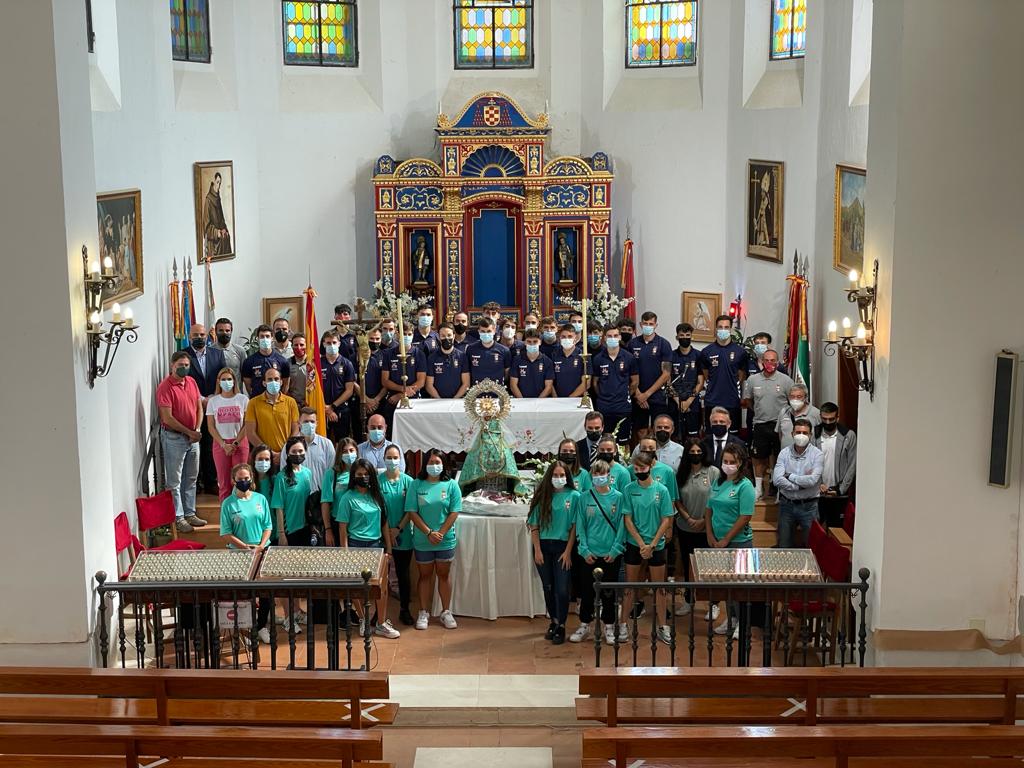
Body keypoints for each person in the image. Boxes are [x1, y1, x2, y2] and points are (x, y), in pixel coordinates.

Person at [333, 458, 401, 639]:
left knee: (381, 586)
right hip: (356, 546)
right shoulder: (347, 498)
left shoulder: (377, 496)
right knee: (358, 587)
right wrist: (345, 552)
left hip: (376, 546)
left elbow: (384, 523)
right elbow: (342, 528)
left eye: (366, 474)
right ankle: (363, 619)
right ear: (353, 476)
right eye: (359, 474)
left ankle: (381, 623)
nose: (363, 477)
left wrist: (389, 549)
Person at [619, 451, 675, 645]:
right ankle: (623, 624)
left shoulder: (662, 490)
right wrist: (641, 544)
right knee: (629, 586)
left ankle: (663, 626)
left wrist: (652, 544)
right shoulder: (629, 489)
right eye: (636, 468)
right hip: (635, 544)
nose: (639, 471)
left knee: (659, 588)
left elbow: (666, 519)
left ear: (650, 466)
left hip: (656, 545)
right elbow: (627, 519)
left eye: (642, 468)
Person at [406, 449, 462, 631]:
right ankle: (423, 612)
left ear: (444, 465)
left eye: (438, 462)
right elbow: (412, 512)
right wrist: (429, 532)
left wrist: (441, 533)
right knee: (425, 576)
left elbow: (454, 512)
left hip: (445, 540)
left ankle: (446, 612)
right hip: (423, 540)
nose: (434, 466)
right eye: (431, 462)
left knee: (444, 575)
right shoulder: (416, 484)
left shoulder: (452, 485)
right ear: (425, 464)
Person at [571, 458, 625, 644]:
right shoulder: (584, 497)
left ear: (609, 476)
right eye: (596, 473)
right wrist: (584, 550)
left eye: (602, 473)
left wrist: (616, 549)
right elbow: (580, 525)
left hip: (610, 554)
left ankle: (609, 626)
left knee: (609, 592)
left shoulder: (618, 497)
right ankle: (585, 624)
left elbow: (622, 526)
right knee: (587, 591)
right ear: (591, 476)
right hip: (589, 554)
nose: (599, 477)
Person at [219, 462, 275, 643]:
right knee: (244, 594)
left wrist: (261, 546)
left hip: (261, 551)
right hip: (239, 554)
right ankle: (245, 629)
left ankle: (261, 626)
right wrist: (244, 547)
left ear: (251, 478)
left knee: (265, 593)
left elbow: (268, 526)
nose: (244, 481)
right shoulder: (228, 504)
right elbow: (226, 533)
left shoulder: (260, 499)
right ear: (233, 480)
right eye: (240, 479)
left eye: (246, 478)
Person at [706, 443, 755, 637]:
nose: (727, 465)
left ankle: (743, 622)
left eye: (732, 462)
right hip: (717, 541)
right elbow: (709, 509)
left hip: (739, 542)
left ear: (740, 463)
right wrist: (710, 535)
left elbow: (745, 516)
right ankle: (731, 618)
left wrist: (726, 539)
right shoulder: (718, 482)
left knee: (739, 584)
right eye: (725, 461)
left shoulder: (745, 485)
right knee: (726, 583)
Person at [528, 461, 579, 645]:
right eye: (555, 475)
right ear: (549, 477)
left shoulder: (574, 496)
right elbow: (534, 525)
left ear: (567, 477)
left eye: (562, 475)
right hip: (543, 546)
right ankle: (554, 621)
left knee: (562, 589)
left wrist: (568, 552)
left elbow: (574, 526)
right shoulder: (543, 495)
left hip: (562, 547)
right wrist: (537, 550)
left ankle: (562, 624)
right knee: (548, 587)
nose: (558, 478)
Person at [157, 352, 208, 533]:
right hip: (174, 438)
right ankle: (178, 517)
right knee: (174, 481)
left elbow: (198, 407)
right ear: (172, 365)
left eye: (186, 365)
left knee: (191, 477)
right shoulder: (165, 387)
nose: (184, 368)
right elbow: (167, 418)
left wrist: (197, 429)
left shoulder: (191, 382)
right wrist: (189, 432)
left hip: (193, 438)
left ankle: (190, 512)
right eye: (180, 365)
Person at [673, 439, 720, 617]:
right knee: (688, 566)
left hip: (707, 528)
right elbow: (677, 499)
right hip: (686, 527)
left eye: (698, 452)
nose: (695, 455)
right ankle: (688, 600)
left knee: (710, 567)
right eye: (691, 452)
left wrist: (703, 521)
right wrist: (688, 517)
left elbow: (717, 499)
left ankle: (713, 603)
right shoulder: (681, 473)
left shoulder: (713, 472)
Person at [272, 436, 312, 634]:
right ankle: (288, 617)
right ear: (287, 454)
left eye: (301, 451)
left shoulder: (307, 473)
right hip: (289, 531)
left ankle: (297, 611)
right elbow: (278, 507)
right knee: (286, 577)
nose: (298, 454)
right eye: (294, 452)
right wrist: (282, 533)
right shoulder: (282, 478)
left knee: (298, 575)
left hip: (305, 529)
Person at [741, 349, 794, 498]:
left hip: (780, 426)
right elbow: (748, 401)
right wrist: (759, 411)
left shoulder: (786, 380)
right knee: (758, 457)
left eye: (773, 360)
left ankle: (777, 489)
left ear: (777, 362)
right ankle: (758, 488)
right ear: (762, 362)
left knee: (780, 457)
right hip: (760, 424)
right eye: (767, 360)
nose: (769, 363)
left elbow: (793, 401)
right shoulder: (752, 380)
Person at [186, 323, 226, 496]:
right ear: (189, 337)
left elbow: (223, 377)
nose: (199, 338)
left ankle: (211, 482)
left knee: (211, 445)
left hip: (214, 405)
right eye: (195, 335)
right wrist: (201, 399)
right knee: (195, 446)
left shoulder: (217, 354)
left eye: (202, 335)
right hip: (193, 407)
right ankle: (195, 483)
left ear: (207, 336)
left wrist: (213, 398)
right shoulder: (183, 356)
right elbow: (184, 381)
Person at [773, 418, 824, 548]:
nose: (801, 435)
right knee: (784, 546)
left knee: (811, 546)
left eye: (805, 433)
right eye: (798, 432)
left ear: (810, 435)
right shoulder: (784, 453)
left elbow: (812, 480)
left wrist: (790, 476)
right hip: (786, 505)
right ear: (792, 434)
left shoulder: (817, 455)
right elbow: (777, 479)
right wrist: (798, 486)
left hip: (809, 506)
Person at [381, 444, 416, 626]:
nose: (392, 461)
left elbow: (411, 509)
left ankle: (404, 609)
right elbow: (378, 507)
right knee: (381, 576)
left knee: (403, 574)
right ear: (384, 459)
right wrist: (387, 531)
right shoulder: (378, 481)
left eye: (395, 458)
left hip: (403, 534)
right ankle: (378, 613)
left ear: (400, 460)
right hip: (382, 534)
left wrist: (398, 529)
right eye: (389, 457)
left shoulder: (409, 482)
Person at [206, 367, 250, 501]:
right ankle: (225, 511)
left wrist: (235, 443)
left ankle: (241, 509)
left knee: (240, 481)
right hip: (221, 444)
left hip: (240, 443)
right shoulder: (213, 401)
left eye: (229, 379)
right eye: (224, 379)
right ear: (218, 381)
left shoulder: (243, 399)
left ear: (234, 381)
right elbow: (211, 426)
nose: (227, 382)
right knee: (224, 482)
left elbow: (247, 424)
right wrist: (223, 444)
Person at [699, 315, 748, 432]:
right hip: (712, 401)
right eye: (720, 327)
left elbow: (741, 376)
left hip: (732, 401)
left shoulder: (740, 352)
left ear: (730, 329)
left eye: (726, 327)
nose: (723, 330)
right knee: (711, 436)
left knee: (733, 437)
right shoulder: (706, 351)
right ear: (716, 328)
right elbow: (706, 375)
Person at [591, 325, 639, 445]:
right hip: (604, 407)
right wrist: (603, 395)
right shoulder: (598, 359)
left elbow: (635, 381)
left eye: (615, 335)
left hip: (623, 407)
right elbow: (595, 383)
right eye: (609, 336)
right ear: (604, 338)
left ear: (620, 337)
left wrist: (626, 394)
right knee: (604, 441)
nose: (613, 338)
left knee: (623, 443)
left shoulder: (629, 357)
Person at [628, 311, 673, 433]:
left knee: (657, 430)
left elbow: (666, 374)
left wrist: (646, 394)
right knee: (640, 431)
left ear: (656, 325)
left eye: (651, 324)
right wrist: (638, 394)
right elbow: (628, 372)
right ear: (640, 324)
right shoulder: (632, 344)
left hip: (657, 396)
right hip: (637, 395)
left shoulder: (663, 344)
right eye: (645, 323)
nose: (648, 326)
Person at [244, 367, 299, 464]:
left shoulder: (291, 402)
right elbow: (250, 433)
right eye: (269, 379)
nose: (273, 382)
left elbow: (295, 430)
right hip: (263, 457)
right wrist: (267, 452)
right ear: (264, 383)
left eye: (276, 379)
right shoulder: (253, 403)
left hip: (286, 456)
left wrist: (284, 452)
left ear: (281, 382)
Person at [280, 407, 335, 492]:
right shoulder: (289, 446)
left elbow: (332, 473)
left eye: (312, 422)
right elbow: (284, 473)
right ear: (299, 423)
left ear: (317, 423)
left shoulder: (327, 445)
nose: (309, 424)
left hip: (321, 495)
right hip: (298, 496)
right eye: (306, 421)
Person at [668, 323, 705, 440]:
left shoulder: (698, 355)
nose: (685, 338)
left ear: (691, 337)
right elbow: (667, 381)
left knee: (693, 438)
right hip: (674, 403)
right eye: (682, 335)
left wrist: (688, 402)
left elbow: (700, 382)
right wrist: (678, 402)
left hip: (692, 403)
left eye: (687, 335)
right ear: (677, 337)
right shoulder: (671, 355)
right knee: (675, 437)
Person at [813, 401, 857, 499]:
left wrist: (841, 489)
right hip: (817, 492)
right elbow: (809, 462)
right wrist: (818, 484)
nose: (828, 422)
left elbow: (852, 465)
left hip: (839, 492)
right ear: (820, 417)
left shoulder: (848, 435)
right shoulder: (813, 435)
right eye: (824, 419)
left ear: (837, 418)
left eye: (831, 419)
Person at [321, 438, 359, 546]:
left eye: (351, 450)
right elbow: (325, 503)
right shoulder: (331, 474)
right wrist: (328, 529)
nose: (349, 454)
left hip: (358, 523)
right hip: (337, 523)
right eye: (345, 451)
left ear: (356, 451)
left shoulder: (363, 472)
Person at [321, 329, 356, 443]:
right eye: (328, 343)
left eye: (334, 342)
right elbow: (314, 388)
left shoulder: (347, 364)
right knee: (323, 442)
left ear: (339, 344)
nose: (331, 345)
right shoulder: (317, 363)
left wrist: (332, 407)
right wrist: (326, 409)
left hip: (341, 410)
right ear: (324, 344)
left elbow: (349, 390)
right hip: (322, 409)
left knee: (342, 443)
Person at [241, 325, 290, 397]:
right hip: (257, 400)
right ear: (257, 339)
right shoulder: (249, 362)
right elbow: (248, 386)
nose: (265, 339)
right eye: (262, 336)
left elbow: (285, 384)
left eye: (267, 336)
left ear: (272, 338)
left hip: (276, 400)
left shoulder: (282, 361)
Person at [425, 322, 470, 399]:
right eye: (443, 336)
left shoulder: (462, 356)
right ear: (438, 337)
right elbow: (429, 385)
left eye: (449, 335)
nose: (446, 338)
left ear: (454, 336)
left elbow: (466, 384)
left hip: (458, 400)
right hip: (437, 401)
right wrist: (440, 400)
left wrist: (454, 399)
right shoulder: (432, 358)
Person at [466, 317, 511, 385]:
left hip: (497, 390)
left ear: (494, 331)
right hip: (476, 390)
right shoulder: (471, 349)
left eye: (489, 331)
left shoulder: (504, 350)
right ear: (479, 331)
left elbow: (507, 372)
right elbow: (467, 371)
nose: (486, 334)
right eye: (483, 331)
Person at [510, 329, 554, 398]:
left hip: (541, 401)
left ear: (540, 342)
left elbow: (548, 387)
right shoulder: (516, 360)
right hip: (521, 401)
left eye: (535, 341)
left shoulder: (547, 361)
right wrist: (522, 401)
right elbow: (513, 385)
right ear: (525, 342)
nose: (532, 344)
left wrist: (537, 402)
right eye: (529, 341)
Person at [777, 383, 821, 450]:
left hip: (808, 454)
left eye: (799, 397)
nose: (795, 399)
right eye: (792, 396)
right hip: (787, 454)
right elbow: (780, 434)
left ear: (805, 397)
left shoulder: (816, 413)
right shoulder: (784, 412)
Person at [251, 444, 280, 544]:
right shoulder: (247, 482)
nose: (263, 462)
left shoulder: (275, 480)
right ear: (253, 460)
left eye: (267, 459)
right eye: (260, 459)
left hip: (273, 532)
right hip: (253, 534)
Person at [552, 324, 586, 399]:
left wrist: (569, 398)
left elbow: (586, 383)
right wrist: (555, 398)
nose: (566, 339)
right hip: (558, 400)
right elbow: (550, 381)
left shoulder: (583, 356)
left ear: (575, 338)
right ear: (560, 338)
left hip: (577, 400)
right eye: (563, 337)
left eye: (570, 336)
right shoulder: (554, 355)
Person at [203, 172, 232, 256]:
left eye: (220, 183)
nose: (219, 186)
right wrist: (217, 233)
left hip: (221, 241)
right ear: (213, 182)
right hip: (213, 245)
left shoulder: (218, 199)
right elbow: (206, 228)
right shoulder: (208, 200)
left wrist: (224, 230)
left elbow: (222, 220)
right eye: (217, 182)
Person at [211, 317, 247, 381]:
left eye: (227, 330)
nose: (224, 333)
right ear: (216, 332)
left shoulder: (240, 351)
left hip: (236, 387)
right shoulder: (209, 351)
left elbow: (245, 375)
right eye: (221, 330)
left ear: (231, 332)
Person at [285, 333, 311, 407]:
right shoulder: (286, 363)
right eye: (296, 345)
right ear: (292, 346)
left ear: (306, 345)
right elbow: (284, 387)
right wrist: (294, 402)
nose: (299, 347)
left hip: (311, 403)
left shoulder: (312, 363)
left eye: (302, 345)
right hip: (294, 404)